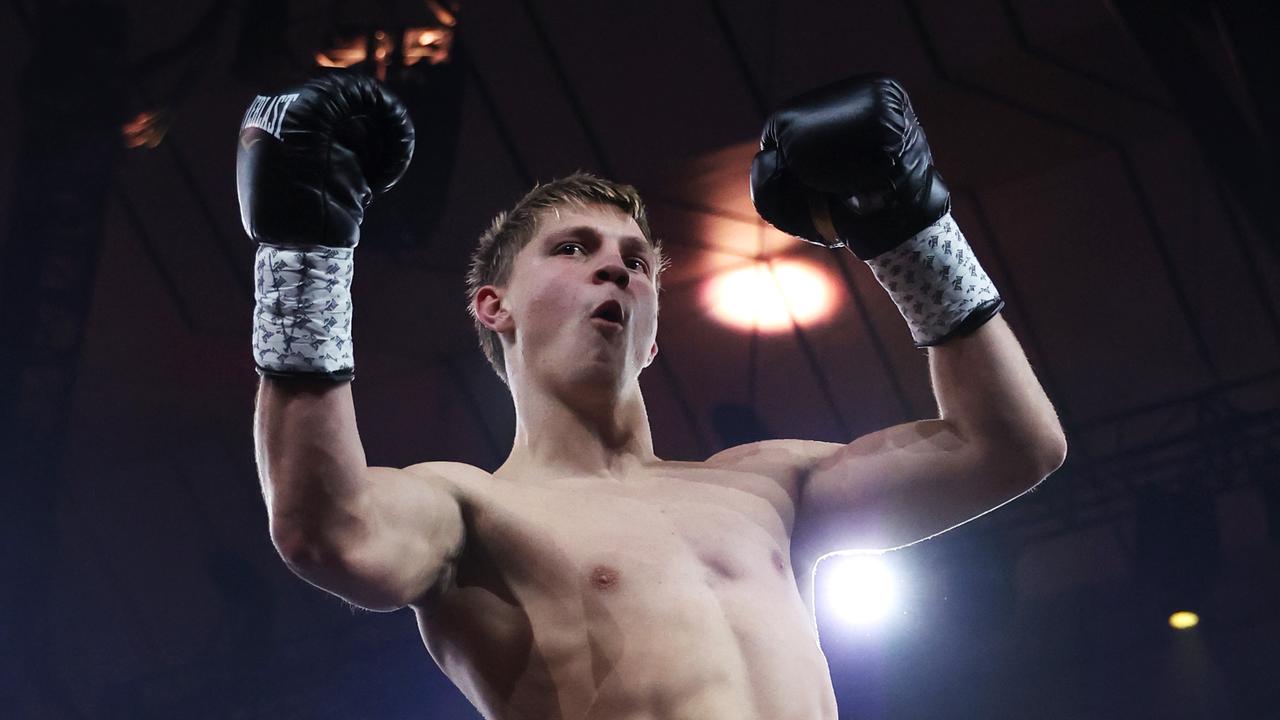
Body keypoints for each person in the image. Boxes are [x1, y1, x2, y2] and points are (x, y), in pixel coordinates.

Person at [247, 70, 1067, 719]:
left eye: (636, 261)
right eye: (574, 249)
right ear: (493, 307)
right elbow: (330, 532)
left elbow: (1010, 446)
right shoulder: (469, 509)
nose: (616, 268)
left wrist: (909, 229)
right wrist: (303, 257)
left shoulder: (766, 484)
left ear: (654, 333)